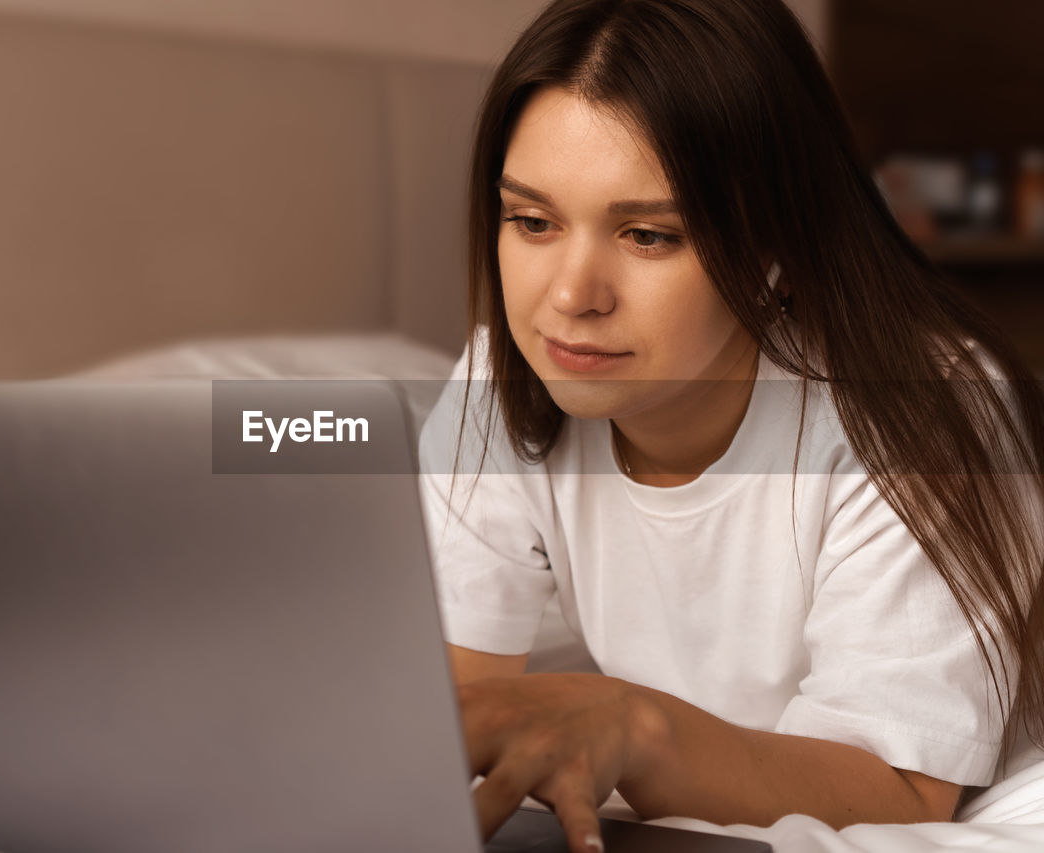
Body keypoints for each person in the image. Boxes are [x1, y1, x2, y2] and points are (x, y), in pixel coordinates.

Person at [415, 1, 1044, 851]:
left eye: (647, 235)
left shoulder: (920, 406)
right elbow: (456, 715)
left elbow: (902, 792)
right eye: (532, 221)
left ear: (773, 244)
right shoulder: (504, 380)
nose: (570, 296)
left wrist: (634, 724)